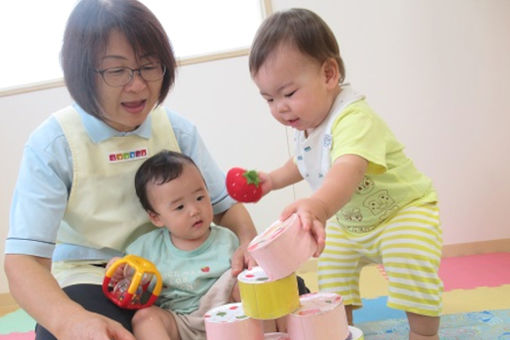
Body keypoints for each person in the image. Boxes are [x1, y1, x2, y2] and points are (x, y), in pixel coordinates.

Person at [3, 1, 257, 339]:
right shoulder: (54, 144)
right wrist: (69, 321)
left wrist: (248, 246)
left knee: (286, 294)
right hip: (96, 278)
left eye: (149, 67)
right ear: (82, 72)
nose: (137, 85)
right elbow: (25, 261)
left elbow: (226, 208)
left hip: (190, 263)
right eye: (116, 71)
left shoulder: (177, 131)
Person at [248, 8, 443, 340]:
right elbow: (302, 161)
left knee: (409, 257)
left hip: (402, 212)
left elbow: (347, 167)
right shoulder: (307, 124)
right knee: (331, 268)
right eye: (269, 98)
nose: (279, 107)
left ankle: (424, 334)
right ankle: (337, 329)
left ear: (328, 74)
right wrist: (272, 180)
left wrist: (319, 208)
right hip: (350, 223)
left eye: (289, 93)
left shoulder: (353, 117)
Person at [107, 150, 241, 340]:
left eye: (200, 198)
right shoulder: (149, 247)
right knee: (145, 317)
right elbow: (126, 270)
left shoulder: (226, 239)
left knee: (245, 287)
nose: (194, 210)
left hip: (225, 315)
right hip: (180, 321)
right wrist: (118, 269)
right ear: (156, 217)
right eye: (180, 207)